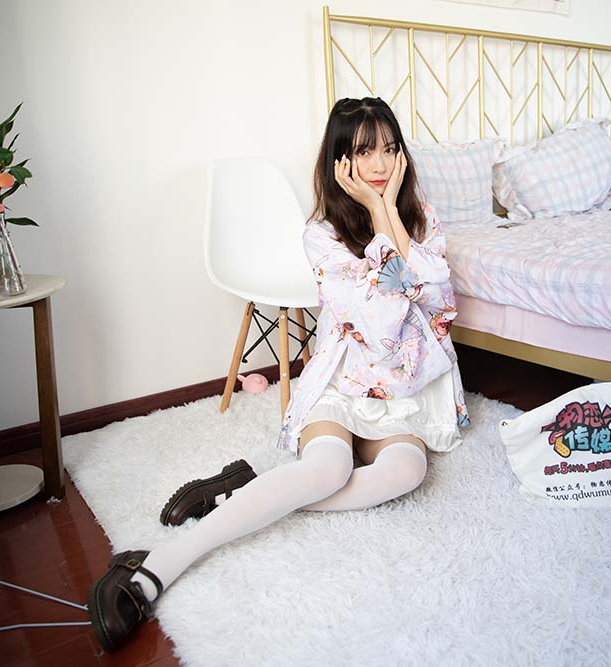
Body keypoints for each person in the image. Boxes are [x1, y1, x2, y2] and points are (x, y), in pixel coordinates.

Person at [86, 97, 471, 651]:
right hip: (344, 376)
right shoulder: (322, 233)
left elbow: (438, 304)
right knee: (328, 469)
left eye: (390, 149)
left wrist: (387, 211)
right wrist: (382, 221)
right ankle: (157, 565)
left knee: (405, 473)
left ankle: (240, 493)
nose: (381, 164)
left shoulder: (422, 217)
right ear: (340, 160)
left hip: (401, 387)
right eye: (365, 151)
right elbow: (384, 322)